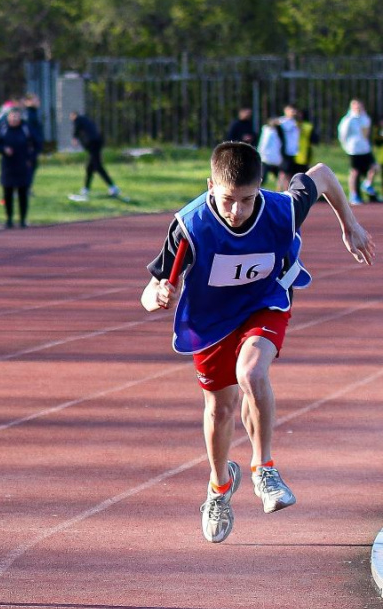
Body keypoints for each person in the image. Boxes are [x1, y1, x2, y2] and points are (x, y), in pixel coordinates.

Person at [140, 141, 374, 545]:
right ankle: (219, 486)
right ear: (210, 185)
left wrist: (348, 224)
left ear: (261, 187)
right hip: (211, 319)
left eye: (247, 200)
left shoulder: (281, 208)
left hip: (265, 302)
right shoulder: (189, 226)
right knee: (220, 406)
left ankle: (264, 468)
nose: (237, 211)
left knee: (250, 371)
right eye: (228, 200)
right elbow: (151, 289)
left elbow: (321, 174)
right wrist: (156, 296)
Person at [0, 107, 36, 228]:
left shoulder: (26, 129)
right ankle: (9, 219)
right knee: (8, 194)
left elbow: (36, 144)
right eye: (12, 116)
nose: (14, 119)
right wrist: (4, 150)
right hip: (8, 166)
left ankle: (22, 219)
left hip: (22, 165)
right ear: (8, 117)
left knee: (23, 193)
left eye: (17, 116)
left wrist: (30, 158)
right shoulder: (3, 129)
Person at [68, 111, 121, 201]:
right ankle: (86, 189)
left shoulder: (78, 119)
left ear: (74, 115)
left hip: (93, 144)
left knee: (98, 167)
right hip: (96, 143)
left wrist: (74, 138)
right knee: (90, 168)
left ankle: (113, 188)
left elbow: (77, 128)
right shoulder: (86, 120)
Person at [337, 98, 379, 205]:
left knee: (374, 167)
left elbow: (366, 134)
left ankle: (367, 184)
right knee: (355, 172)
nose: (358, 108)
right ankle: (354, 195)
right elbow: (342, 135)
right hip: (354, 149)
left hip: (365, 148)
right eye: (355, 106)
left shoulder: (365, 118)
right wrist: (346, 146)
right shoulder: (348, 120)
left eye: (359, 105)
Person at [256, 118, 284, 188]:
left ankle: (279, 190)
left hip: (274, 159)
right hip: (266, 158)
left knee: (280, 177)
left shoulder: (276, 132)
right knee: (263, 177)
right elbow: (264, 144)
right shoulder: (268, 131)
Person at [292, 108, 319, 175]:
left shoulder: (307, 127)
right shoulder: (291, 125)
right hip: (294, 155)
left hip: (303, 155)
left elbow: (315, 140)